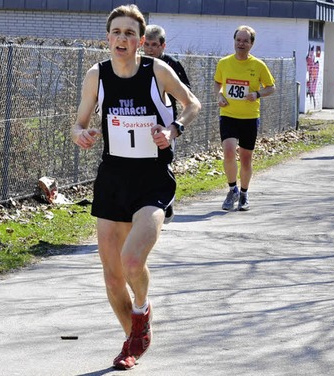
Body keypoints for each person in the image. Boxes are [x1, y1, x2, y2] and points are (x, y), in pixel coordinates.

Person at [70, 4, 201, 370]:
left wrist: (173, 129)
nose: (123, 39)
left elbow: (193, 104)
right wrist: (81, 134)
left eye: (130, 33)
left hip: (152, 180)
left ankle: (142, 311)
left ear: (141, 41)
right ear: (108, 38)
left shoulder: (157, 71)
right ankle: (134, 340)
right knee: (113, 280)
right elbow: (77, 123)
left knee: (131, 261)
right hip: (112, 179)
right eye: (117, 33)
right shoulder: (96, 75)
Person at [214, 25, 275, 211]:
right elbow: (217, 83)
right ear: (234, 41)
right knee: (229, 151)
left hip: (249, 117)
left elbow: (271, 87)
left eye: (245, 41)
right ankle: (232, 189)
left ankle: (244, 193)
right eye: (238, 40)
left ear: (251, 44)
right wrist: (219, 95)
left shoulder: (258, 65)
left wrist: (257, 94)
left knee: (246, 159)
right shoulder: (224, 63)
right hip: (229, 115)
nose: (241, 44)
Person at [143, 24, 192, 224]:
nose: (149, 49)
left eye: (154, 45)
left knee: (163, 164)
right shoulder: (136, 64)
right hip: (141, 122)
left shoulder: (172, 65)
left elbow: (187, 94)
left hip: (165, 125)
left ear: (163, 46)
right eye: (146, 44)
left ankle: (166, 201)